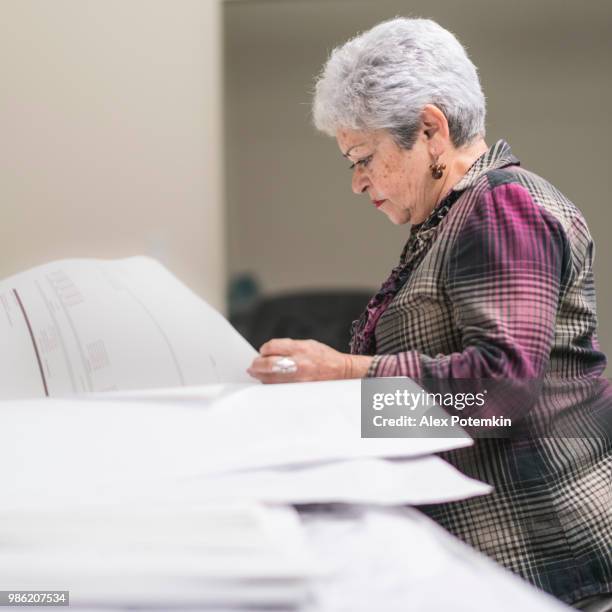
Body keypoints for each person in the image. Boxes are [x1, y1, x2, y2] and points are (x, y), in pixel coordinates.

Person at [246, 17, 612, 608]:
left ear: (430, 128)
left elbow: (498, 393)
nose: (358, 182)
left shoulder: (503, 207)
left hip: (552, 564)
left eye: (363, 157)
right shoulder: (451, 221)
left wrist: (344, 376)